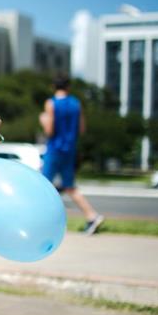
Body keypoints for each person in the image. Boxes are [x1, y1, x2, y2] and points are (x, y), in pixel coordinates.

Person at [39, 73, 104, 235]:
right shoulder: (76, 104)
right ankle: (92, 216)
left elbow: (49, 130)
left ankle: (44, 223)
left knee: (42, 186)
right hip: (70, 150)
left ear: (53, 87)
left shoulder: (51, 103)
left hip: (54, 149)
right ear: (68, 87)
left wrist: (43, 120)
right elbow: (81, 129)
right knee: (70, 187)